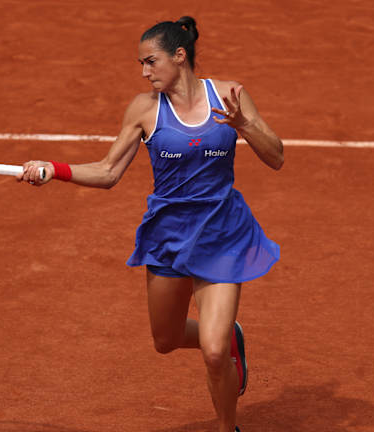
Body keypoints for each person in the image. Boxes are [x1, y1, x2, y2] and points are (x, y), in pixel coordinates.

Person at [17, 16, 283, 432]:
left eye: (151, 61)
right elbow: (108, 172)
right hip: (169, 237)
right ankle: (233, 336)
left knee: (214, 354)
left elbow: (277, 156)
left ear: (180, 56)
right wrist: (54, 168)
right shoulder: (145, 109)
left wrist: (244, 126)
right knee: (167, 340)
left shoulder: (230, 95)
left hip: (221, 234)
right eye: (141, 64)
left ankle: (227, 425)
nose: (144, 72)